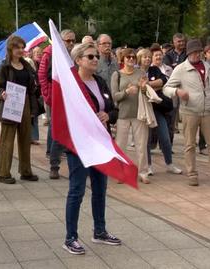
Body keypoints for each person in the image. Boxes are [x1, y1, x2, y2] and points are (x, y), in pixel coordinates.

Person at [62, 42, 121, 255]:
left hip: (101, 144)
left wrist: (108, 116)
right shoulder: (72, 85)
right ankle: (70, 238)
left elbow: (113, 109)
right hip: (80, 145)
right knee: (76, 191)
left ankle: (100, 231)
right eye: (90, 56)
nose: (95, 59)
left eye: (96, 56)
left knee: (100, 189)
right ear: (78, 60)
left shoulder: (100, 81)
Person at [163, 39, 210, 187]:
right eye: (194, 52)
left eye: (199, 52)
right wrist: (177, 91)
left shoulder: (207, 66)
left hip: (208, 110)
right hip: (190, 111)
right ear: (189, 53)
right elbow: (166, 88)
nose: (197, 55)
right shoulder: (180, 69)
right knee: (189, 145)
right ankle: (192, 174)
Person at [0, 35, 40, 184]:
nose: (20, 50)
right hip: (10, 103)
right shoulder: (4, 66)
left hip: (25, 102)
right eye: (17, 47)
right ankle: (4, 173)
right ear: (10, 48)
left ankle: (26, 171)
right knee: (7, 140)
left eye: (22, 47)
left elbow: (32, 88)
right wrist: (1, 94)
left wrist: (33, 107)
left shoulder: (27, 66)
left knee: (25, 138)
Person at [138, 48, 182, 176]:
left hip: (157, 109)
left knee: (165, 137)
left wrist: (148, 84)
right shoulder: (136, 72)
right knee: (146, 139)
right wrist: (153, 86)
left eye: (148, 57)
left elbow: (163, 81)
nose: (147, 59)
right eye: (144, 57)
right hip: (143, 109)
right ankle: (149, 166)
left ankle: (169, 164)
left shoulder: (154, 70)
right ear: (139, 59)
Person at [40, 29, 75, 179]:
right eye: (68, 41)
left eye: (73, 40)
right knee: (57, 131)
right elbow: (45, 76)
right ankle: (54, 166)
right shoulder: (53, 55)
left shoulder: (74, 55)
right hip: (59, 98)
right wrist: (48, 96)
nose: (71, 43)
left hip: (73, 98)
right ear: (61, 41)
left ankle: (77, 166)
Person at [111, 48, 150, 183]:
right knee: (121, 145)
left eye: (133, 57)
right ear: (123, 59)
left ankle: (143, 172)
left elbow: (147, 93)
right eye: (128, 57)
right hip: (122, 114)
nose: (131, 59)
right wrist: (127, 91)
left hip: (139, 113)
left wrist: (144, 88)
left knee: (141, 144)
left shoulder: (141, 72)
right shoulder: (117, 74)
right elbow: (114, 96)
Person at [30, 46, 44, 145]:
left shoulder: (40, 64)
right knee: (31, 116)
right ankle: (30, 137)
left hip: (38, 92)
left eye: (40, 52)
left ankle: (34, 137)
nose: (38, 54)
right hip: (32, 92)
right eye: (36, 52)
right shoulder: (29, 63)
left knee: (35, 114)